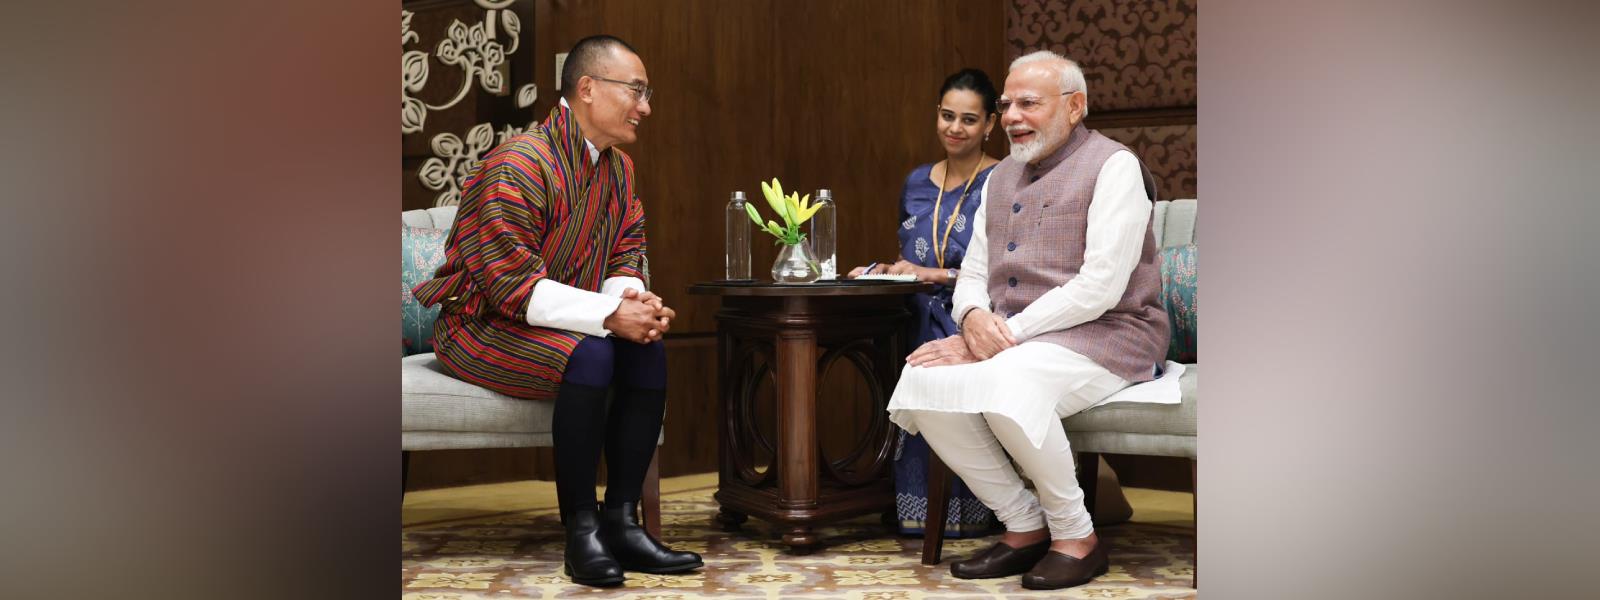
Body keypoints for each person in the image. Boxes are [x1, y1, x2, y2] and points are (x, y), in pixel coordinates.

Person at [411, 35, 701, 588]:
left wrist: (632, 300)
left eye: (647, 93)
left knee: (647, 348)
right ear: (588, 88)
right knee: (592, 353)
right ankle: (581, 531)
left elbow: (625, 250)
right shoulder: (517, 164)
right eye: (636, 91)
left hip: (551, 319)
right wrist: (610, 315)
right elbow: (512, 287)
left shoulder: (618, 169)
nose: (646, 107)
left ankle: (621, 522)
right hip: (479, 325)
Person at [884, 50, 1178, 591]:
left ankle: (1076, 537)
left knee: (1006, 379)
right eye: (1008, 104)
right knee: (922, 378)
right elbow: (974, 270)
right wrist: (972, 316)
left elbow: (1101, 286)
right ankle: (1023, 525)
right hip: (1015, 340)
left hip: (1112, 334)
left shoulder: (1115, 167)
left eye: (1029, 103)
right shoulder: (1001, 177)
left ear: (1074, 106)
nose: (1014, 116)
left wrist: (1001, 338)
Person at [847, 68, 1002, 539]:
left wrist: (936, 276)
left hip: (969, 313)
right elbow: (912, 251)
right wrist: (882, 270)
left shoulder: (1002, 180)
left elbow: (1002, 269)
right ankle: (907, 508)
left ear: (990, 124)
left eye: (969, 120)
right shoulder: (916, 181)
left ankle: (974, 515)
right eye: (947, 116)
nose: (955, 128)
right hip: (911, 310)